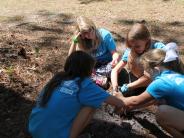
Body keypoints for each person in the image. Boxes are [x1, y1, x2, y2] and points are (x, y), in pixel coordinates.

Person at [28, 51, 125, 138]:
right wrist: (119, 100)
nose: (93, 71)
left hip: (34, 128)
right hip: (54, 135)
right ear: (87, 70)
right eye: (92, 68)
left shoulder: (57, 78)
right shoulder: (85, 85)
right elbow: (119, 103)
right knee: (92, 104)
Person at [116, 48, 184, 138]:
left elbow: (135, 101)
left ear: (155, 69)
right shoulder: (176, 74)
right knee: (162, 102)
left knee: (162, 113)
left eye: (146, 70)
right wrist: (130, 108)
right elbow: (154, 100)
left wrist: (119, 97)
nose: (144, 73)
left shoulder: (161, 82)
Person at [111, 23, 165, 96]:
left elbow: (148, 78)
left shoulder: (157, 48)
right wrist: (115, 88)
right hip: (138, 78)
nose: (133, 49)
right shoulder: (132, 49)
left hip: (155, 81)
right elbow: (115, 70)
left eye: (137, 46)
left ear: (147, 40)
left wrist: (128, 86)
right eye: (130, 46)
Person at [68, 16, 120, 89]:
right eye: (85, 33)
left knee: (116, 67)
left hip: (108, 64)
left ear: (93, 27)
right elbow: (71, 59)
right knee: (75, 69)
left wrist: (115, 59)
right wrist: (75, 41)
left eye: (90, 30)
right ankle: (100, 79)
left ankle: (97, 78)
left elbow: (114, 53)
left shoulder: (105, 35)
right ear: (81, 35)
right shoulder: (83, 42)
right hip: (93, 67)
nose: (89, 34)